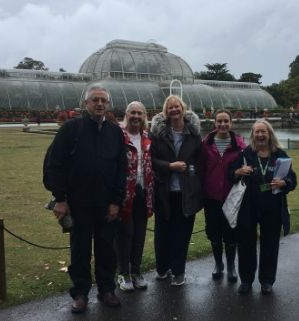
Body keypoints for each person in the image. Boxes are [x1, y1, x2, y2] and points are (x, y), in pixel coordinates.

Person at [45, 85, 127, 313]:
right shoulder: (71, 129)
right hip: (78, 203)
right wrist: (60, 199)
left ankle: (106, 289)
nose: (99, 104)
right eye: (95, 100)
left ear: (108, 104)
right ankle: (80, 293)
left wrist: (116, 201)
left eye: (103, 100)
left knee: (106, 249)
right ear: (85, 104)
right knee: (80, 250)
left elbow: (122, 168)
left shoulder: (114, 132)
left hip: (106, 204)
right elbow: (55, 164)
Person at [228, 119, 297, 295]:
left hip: (273, 208)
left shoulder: (280, 154)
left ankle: (267, 280)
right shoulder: (246, 154)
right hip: (248, 207)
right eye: (256, 132)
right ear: (252, 135)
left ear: (269, 134)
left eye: (263, 132)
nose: (260, 135)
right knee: (246, 245)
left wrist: (284, 182)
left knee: (270, 245)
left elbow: (292, 180)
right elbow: (230, 174)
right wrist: (238, 172)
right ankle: (246, 280)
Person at [150, 95, 202, 286]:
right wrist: (170, 166)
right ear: (166, 111)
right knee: (162, 233)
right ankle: (162, 268)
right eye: (170, 107)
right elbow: (152, 160)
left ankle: (179, 270)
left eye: (177, 106)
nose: (174, 110)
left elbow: (200, 162)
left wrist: (195, 180)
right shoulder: (158, 134)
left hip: (186, 193)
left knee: (182, 234)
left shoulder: (194, 134)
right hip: (164, 192)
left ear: (183, 108)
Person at [199, 110, 246, 282]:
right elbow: (201, 169)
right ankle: (219, 264)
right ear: (214, 123)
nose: (223, 124)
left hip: (231, 197)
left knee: (231, 232)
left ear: (231, 123)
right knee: (214, 232)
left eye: (226, 121)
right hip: (211, 197)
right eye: (219, 121)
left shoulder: (240, 146)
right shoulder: (206, 144)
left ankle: (232, 267)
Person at [115, 101, 154, 292]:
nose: (136, 116)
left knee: (139, 234)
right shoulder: (118, 136)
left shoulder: (147, 137)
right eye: (133, 113)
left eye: (140, 113)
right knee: (125, 234)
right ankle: (123, 273)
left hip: (143, 193)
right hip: (124, 195)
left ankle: (136, 271)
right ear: (126, 114)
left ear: (144, 116)